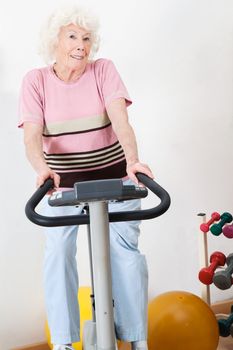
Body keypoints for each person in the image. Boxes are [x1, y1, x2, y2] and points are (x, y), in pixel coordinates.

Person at [18, 5, 154, 350]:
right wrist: (41, 168)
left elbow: (120, 119)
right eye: (73, 36)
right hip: (63, 185)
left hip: (114, 179)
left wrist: (134, 160)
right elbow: (32, 135)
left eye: (87, 37)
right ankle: (63, 343)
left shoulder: (103, 70)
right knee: (59, 250)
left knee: (126, 253)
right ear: (55, 41)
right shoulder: (35, 81)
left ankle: (138, 340)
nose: (82, 44)